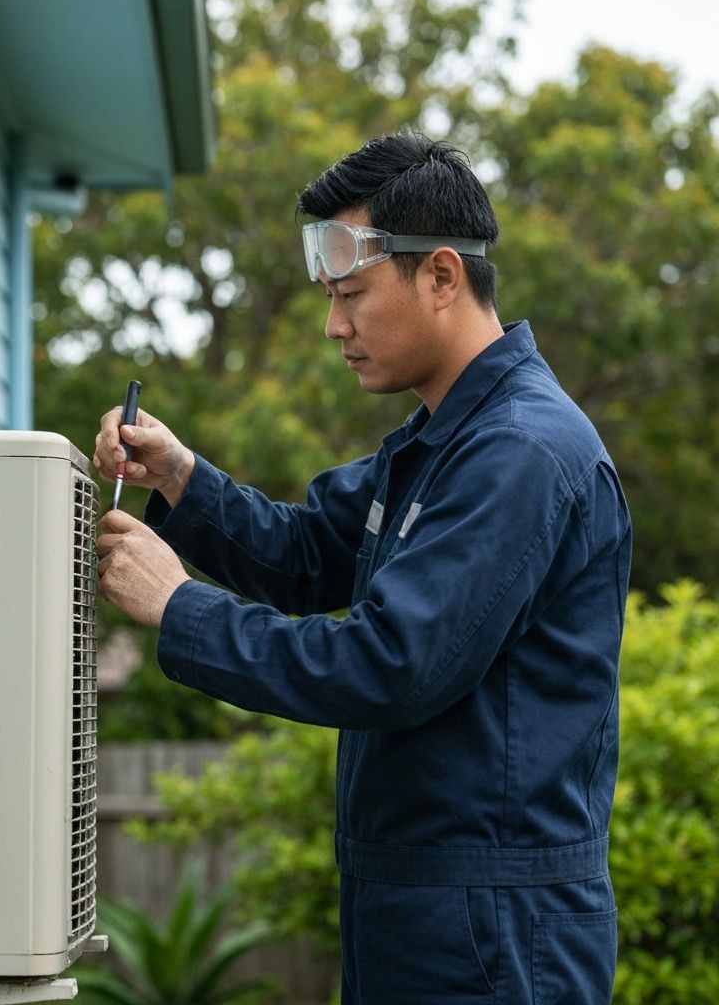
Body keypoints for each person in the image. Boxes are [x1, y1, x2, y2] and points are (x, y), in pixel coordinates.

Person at [94, 130, 631, 1004]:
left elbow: (390, 664)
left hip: (493, 931)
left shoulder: (522, 452)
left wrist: (179, 606)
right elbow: (311, 556)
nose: (335, 324)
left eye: (351, 294)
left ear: (442, 276)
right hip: (422, 912)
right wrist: (184, 481)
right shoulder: (438, 442)